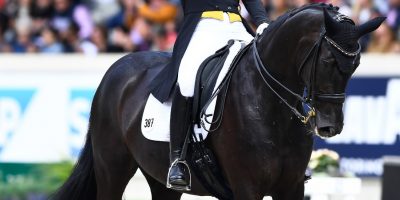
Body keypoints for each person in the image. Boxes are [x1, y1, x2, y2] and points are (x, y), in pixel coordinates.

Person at [148, 0, 270, 190]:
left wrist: (262, 21)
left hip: (236, 25)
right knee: (187, 79)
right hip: (202, 25)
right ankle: (178, 160)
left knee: (266, 69)